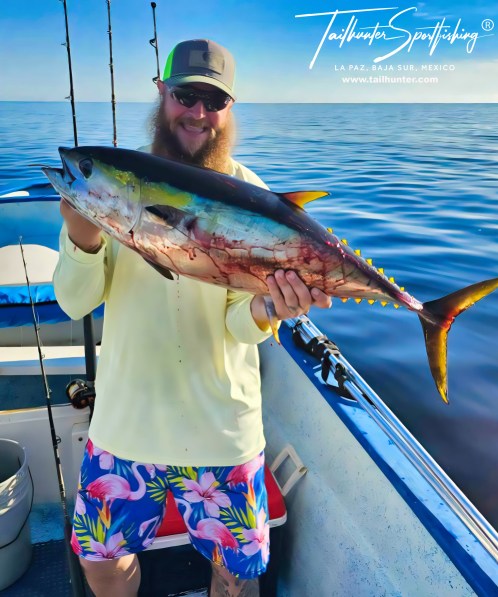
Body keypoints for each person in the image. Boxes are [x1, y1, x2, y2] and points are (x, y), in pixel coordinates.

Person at [53, 39, 331, 597]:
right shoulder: (114, 183)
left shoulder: (251, 193)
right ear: (162, 93)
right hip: (125, 427)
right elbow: (75, 303)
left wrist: (269, 308)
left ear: (230, 107)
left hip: (222, 432)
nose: (198, 113)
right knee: (102, 564)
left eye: (214, 100)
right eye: (186, 96)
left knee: (235, 575)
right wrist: (83, 236)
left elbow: (238, 323)